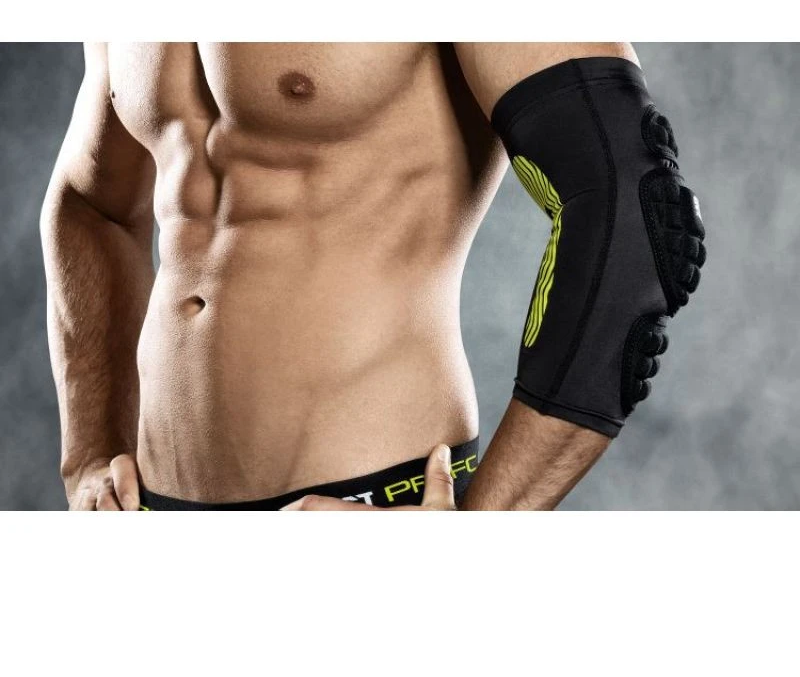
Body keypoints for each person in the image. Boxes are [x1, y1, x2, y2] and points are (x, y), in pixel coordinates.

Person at [40, 42, 705, 511]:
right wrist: (89, 455)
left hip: (376, 501)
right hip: (152, 507)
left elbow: (635, 214)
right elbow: (90, 204)